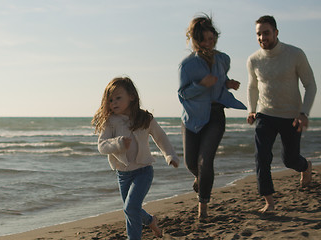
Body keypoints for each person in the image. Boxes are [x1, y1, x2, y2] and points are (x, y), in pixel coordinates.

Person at [92, 76, 179, 239]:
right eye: (110, 100)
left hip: (143, 171)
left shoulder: (144, 118)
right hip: (123, 175)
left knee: (130, 208)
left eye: (118, 98)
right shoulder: (110, 121)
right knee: (131, 209)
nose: (114, 103)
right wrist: (118, 144)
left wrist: (170, 155)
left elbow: (160, 136)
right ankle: (151, 220)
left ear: (131, 96)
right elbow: (102, 145)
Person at [178, 14, 246, 218]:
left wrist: (228, 84)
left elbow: (220, 81)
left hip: (216, 115)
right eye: (205, 40)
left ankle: (203, 208)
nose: (209, 43)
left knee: (205, 161)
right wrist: (201, 85)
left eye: (212, 39)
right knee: (192, 164)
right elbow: (183, 93)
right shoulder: (187, 65)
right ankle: (201, 180)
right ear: (195, 40)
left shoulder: (223, 59)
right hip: (192, 118)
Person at [247, 15, 317, 213]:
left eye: (266, 33)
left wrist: (304, 113)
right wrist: (252, 109)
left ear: (276, 33)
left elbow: (310, 85)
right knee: (261, 157)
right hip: (265, 114)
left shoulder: (295, 54)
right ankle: (269, 201)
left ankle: (305, 166)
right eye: (258, 34)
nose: (262, 37)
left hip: (291, 116)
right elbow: (252, 87)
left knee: (290, 160)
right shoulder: (253, 60)